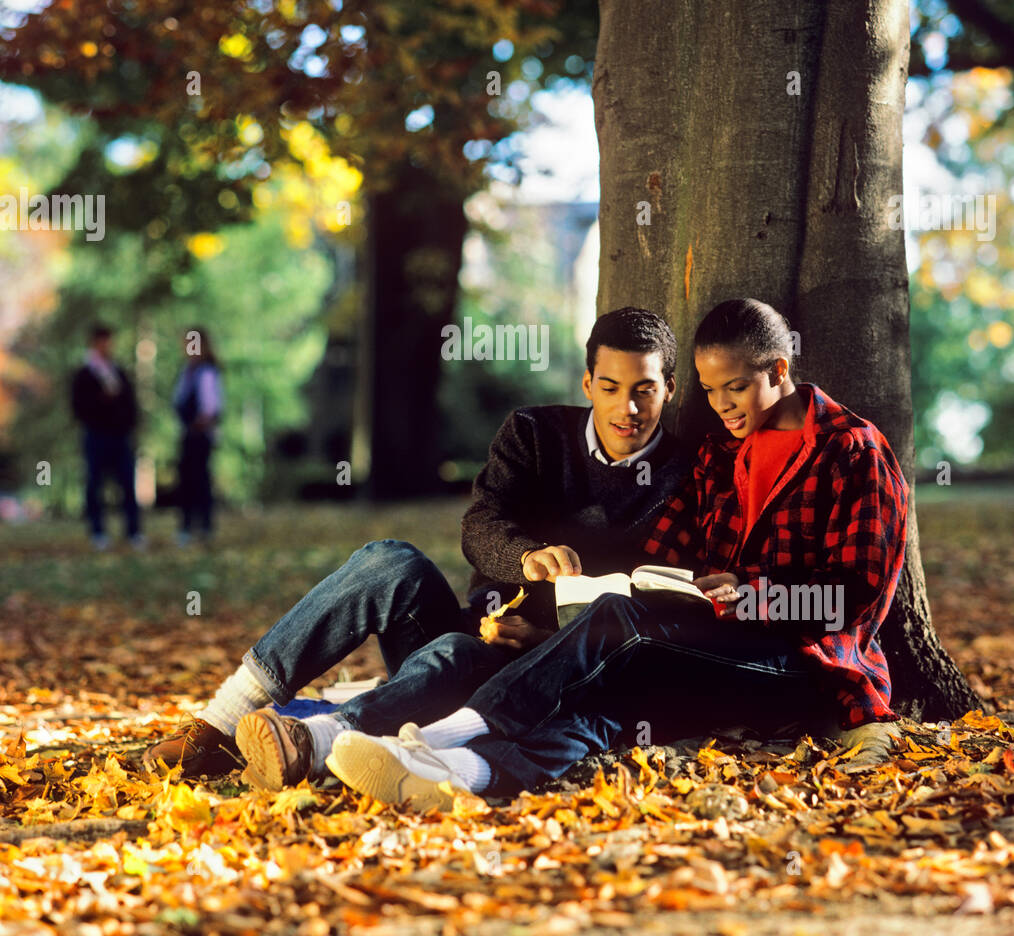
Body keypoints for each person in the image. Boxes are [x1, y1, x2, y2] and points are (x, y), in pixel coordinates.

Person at [322, 298, 910, 809]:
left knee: (621, 629)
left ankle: (434, 738)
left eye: (735, 388)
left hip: (801, 665)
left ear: (779, 370)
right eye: (710, 391)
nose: (723, 405)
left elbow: (851, 599)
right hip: (708, 654)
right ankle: (461, 775)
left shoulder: (852, 451)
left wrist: (747, 591)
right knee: (610, 694)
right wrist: (562, 616)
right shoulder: (719, 457)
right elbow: (654, 562)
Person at [142, 307, 693, 780]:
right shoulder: (535, 432)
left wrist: (544, 638)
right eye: (612, 388)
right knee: (390, 560)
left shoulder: (691, 473)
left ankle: (311, 743)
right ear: (588, 383)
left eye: (645, 390)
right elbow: (480, 524)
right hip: (474, 625)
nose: (629, 410)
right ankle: (213, 727)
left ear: (669, 388)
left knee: (456, 654)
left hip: (543, 676)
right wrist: (525, 557)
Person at [71, 323, 143, 549]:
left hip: (120, 436)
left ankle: (133, 532)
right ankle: (98, 532)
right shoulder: (85, 374)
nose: (107, 346)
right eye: (103, 341)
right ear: (94, 343)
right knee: (95, 484)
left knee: (127, 484)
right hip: (97, 436)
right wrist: (102, 401)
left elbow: (131, 404)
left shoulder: (117, 371)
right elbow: (79, 407)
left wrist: (129, 424)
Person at [173, 329, 223, 543]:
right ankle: (189, 526)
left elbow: (212, 407)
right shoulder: (188, 372)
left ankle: (203, 526)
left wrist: (200, 424)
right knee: (187, 481)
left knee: (199, 480)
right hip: (189, 433)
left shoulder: (206, 372)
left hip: (199, 436)